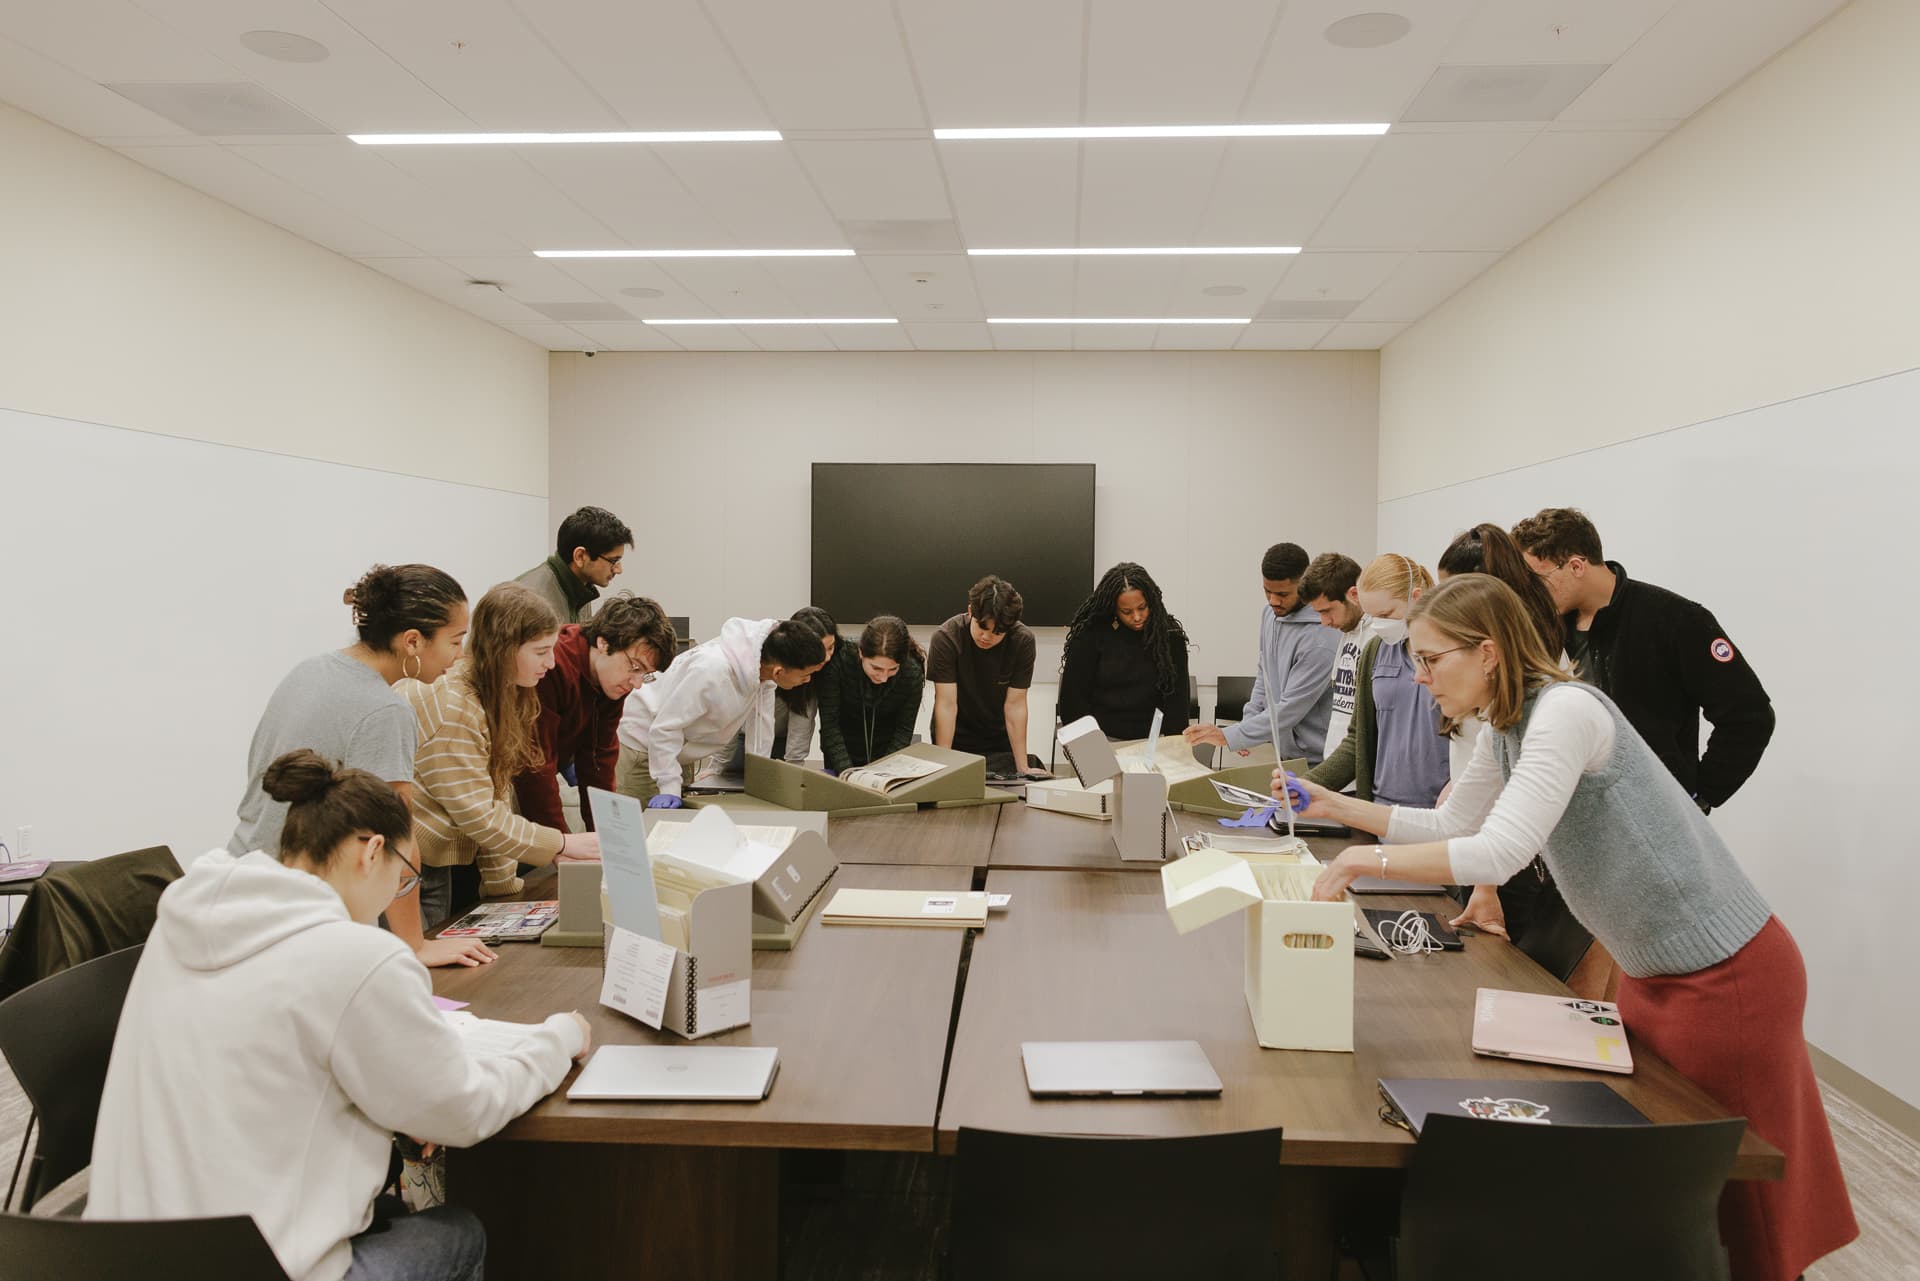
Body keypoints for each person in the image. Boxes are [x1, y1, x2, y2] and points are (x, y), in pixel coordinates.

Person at [1284, 574, 1857, 1281]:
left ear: (1488, 652)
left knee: (1735, 1199)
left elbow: (1500, 851)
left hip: (1725, 973)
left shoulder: (1565, 712)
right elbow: (1452, 822)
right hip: (1654, 970)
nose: (1420, 676)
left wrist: (1360, 861)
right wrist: (1334, 806)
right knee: (1670, 1190)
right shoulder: (1506, 724)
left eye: (1430, 659)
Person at [90, 749, 592, 1281]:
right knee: (457, 1232)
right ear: (372, 852)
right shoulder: (357, 958)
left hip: (122, 1255)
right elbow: (465, 1111)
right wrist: (558, 1039)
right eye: (404, 878)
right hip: (267, 1265)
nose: (396, 895)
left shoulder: (181, 924)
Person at [228, 564, 486, 967]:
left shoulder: (309, 670)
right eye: (455, 641)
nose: (460, 654)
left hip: (241, 882)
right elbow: (398, 842)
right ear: (413, 641)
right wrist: (415, 946)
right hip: (299, 914)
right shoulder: (386, 711)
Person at [1511, 507, 1774, 814]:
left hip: (1658, 814)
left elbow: (1749, 715)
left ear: (1576, 566)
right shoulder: (1546, 630)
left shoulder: (1674, 619)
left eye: (1537, 580)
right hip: (1580, 816)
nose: (1531, 592)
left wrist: (1701, 795)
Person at [1437, 522, 1607, 990]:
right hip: (1483, 848)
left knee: (1510, 986)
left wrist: (1485, 882)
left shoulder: (1528, 672)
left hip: (1510, 860)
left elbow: (1512, 779)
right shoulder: (1501, 652)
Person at [401, 583, 601, 926]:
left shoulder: (502, 693)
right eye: (541, 651)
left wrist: (502, 886)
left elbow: (496, 794)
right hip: (418, 867)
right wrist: (561, 844)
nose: (551, 663)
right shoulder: (454, 706)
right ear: (504, 649)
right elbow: (480, 816)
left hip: (446, 861)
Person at [616, 617, 828, 807]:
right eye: (806, 675)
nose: (807, 681)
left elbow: (761, 727)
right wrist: (669, 785)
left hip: (675, 752)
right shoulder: (711, 671)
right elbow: (666, 728)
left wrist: (760, 781)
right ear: (779, 671)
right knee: (644, 829)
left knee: (676, 826)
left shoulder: (761, 674)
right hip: (642, 747)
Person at [512, 592, 677, 835]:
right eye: (635, 667)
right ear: (603, 643)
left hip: (537, 770)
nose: (637, 684)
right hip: (507, 777)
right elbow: (536, 766)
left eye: (646, 674)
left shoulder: (610, 682)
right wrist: (562, 843)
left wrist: (607, 838)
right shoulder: (553, 666)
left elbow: (599, 762)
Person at [1301, 554, 1449, 807]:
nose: (1379, 625)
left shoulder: (1452, 653)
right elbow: (1358, 739)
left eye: (1386, 614)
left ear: (1416, 597)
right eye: (1373, 617)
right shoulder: (1375, 651)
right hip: (1381, 806)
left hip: (1438, 807)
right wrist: (1308, 784)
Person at [1183, 543, 1340, 763]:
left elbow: (1290, 708)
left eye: (1283, 594)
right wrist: (1248, 726)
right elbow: (1264, 675)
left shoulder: (1320, 638)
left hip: (1319, 759)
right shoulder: (1270, 615)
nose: (1273, 601)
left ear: (1305, 584)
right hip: (1284, 754)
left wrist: (1233, 735)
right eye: (1267, 591)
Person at [929, 575, 1049, 778]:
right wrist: (945, 764)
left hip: (1000, 740)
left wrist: (1023, 767)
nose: (986, 637)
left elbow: (1015, 705)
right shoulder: (946, 638)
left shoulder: (1022, 641)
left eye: (997, 633)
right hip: (956, 739)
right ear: (970, 611)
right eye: (982, 627)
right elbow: (947, 705)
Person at [1057, 562, 1192, 741]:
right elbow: (1074, 700)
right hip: (1102, 739)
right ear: (1113, 608)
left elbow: (1177, 702)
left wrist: (1175, 746)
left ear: (1151, 602)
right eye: (1126, 611)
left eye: (1142, 608)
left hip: (1153, 742)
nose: (1136, 617)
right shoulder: (1091, 636)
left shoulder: (1169, 635)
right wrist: (1086, 744)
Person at [816, 615, 927, 774]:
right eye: (876, 668)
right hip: (840, 751)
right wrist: (847, 773)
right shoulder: (839, 662)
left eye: (893, 669)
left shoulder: (911, 674)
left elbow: (903, 731)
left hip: (887, 754)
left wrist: (884, 773)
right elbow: (830, 725)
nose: (883, 678)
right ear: (861, 653)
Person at [513, 504, 633, 625]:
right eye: (613, 561)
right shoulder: (528, 600)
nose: (619, 570)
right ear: (580, 556)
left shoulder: (581, 586)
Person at [1298, 552, 1365, 760]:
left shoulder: (1378, 638)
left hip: (1359, 769)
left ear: (1353, 595)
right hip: (1336, 762)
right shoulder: (1347, 632)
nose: (1324, 622)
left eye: (1327, 611)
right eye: (1319, 613)